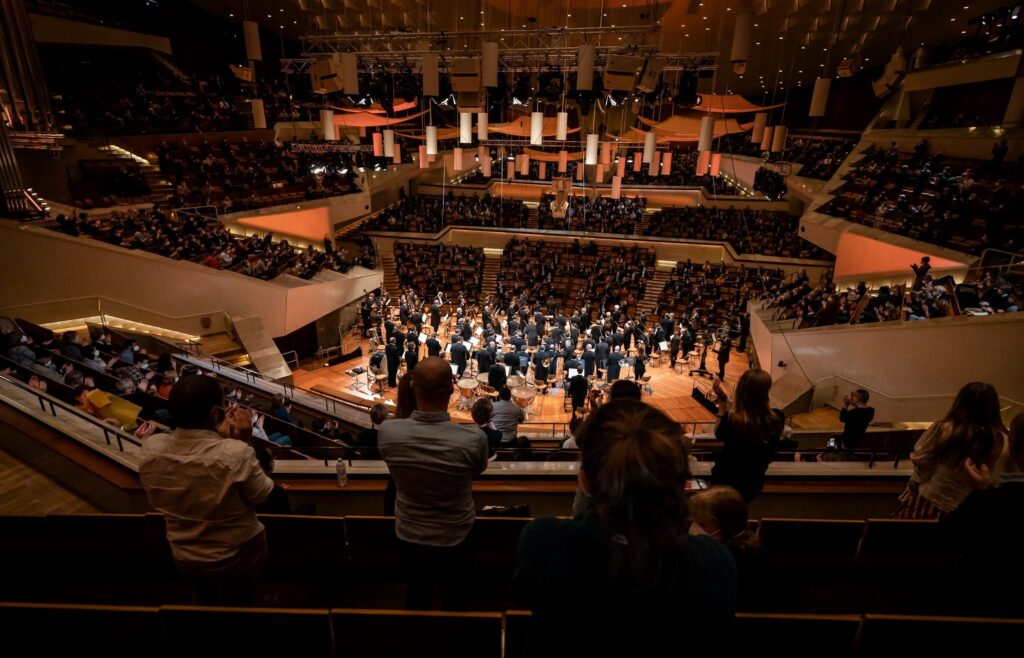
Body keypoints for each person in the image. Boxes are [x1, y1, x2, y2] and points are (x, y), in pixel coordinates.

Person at [514, 400, 737, 657]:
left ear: (584, 480)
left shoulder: (543, 541)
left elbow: (525, 597)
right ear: (680, 481)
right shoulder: (715, 562)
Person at [137, 375, 274, 604]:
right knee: (243, 601)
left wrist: (218, 436)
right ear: (216, 414)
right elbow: (263, 495)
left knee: (204, 596)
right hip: (237, 556)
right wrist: (245, 441)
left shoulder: (151, 448)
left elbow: (197, 453)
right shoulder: (235, 453)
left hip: (183, 555)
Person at [378, 357, 489, 610]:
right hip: (458, 532)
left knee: (417, 592)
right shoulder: (474, 439)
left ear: (412, 386)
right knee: (457, 596)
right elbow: (477, 471)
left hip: (408, 532)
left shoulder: (387, 433)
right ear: (452, 388)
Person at [941, 412, 1024, 616]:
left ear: (1012, 448)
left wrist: (980, 492)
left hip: (981, 603)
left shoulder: (991, 501)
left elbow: (946, 538)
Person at [894, 382, 1010, 519]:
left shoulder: (945, 429)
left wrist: (913, 486)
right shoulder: (1004, 439)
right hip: (973, 509)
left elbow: (923, 462)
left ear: (961, 402)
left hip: (933, 500)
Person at [711, 370, 785, 502]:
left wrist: (722, 403)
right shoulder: (777, 418)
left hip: (725, 482)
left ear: (741, 390)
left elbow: (718, 433)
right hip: (753, 483)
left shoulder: (734, 421)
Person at [689, 486, 767, 611]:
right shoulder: (749, 542)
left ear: (720, 525)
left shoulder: (731, 556)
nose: (694, 527)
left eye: (702, 524)